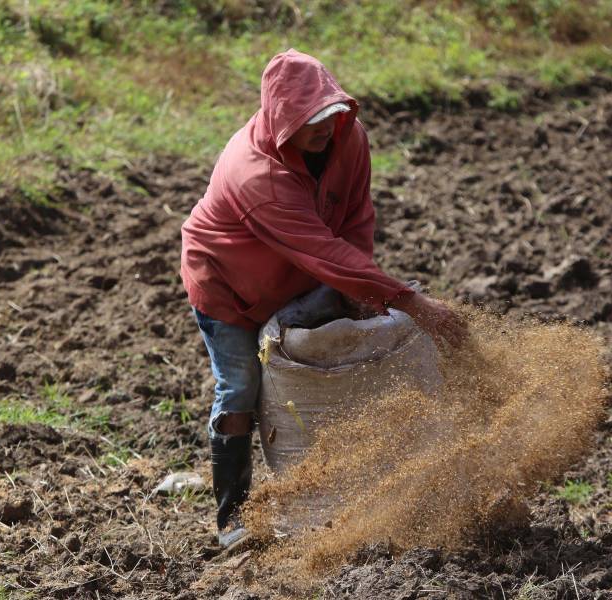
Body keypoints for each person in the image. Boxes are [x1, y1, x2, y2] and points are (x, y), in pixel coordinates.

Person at [180, 48, 467, 548]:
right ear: (281, 119)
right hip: (229, 285)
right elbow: (323, 252)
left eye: (330, 113)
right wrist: (411, 303)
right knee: (242, 386)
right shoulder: (256, 174)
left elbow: (354, 218)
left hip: (298, 274)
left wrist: (361, 293)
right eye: (309, 120)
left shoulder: (347, 137)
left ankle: (362, 498)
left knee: (340, 358)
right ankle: (233, 521)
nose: (324, 127)